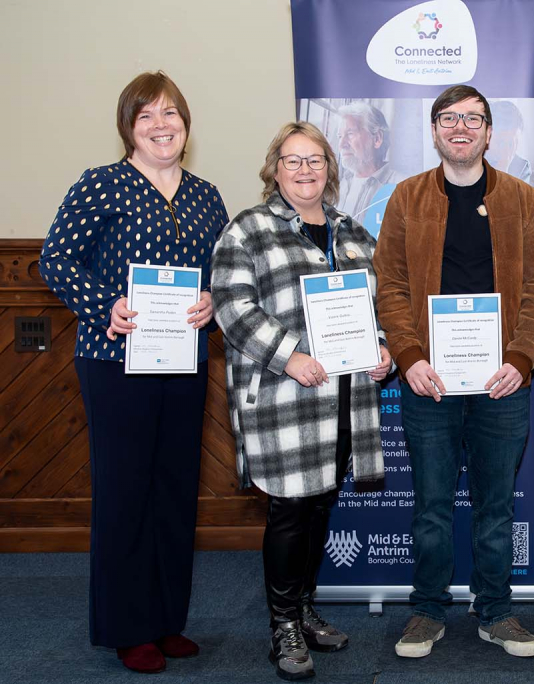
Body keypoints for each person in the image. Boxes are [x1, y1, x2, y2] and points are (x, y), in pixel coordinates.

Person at [38, 71, 229, 674]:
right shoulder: (101, 186)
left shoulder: (207, 195)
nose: (160, 125)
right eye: (146, 116)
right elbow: (55, 258)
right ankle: (128, 627)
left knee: (174, 490)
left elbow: (224, 272)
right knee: (125, 493)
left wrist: (214, 304)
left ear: (186, 124)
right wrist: (106, 306)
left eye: (170, 114)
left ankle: (168, 619)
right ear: (128, 127)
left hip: (185, 358)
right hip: (113, 359)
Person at [373, 85, 534, 659]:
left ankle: (495, 611)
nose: (460, 128)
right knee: (429, 504)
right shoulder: (406, 198)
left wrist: (522, 358)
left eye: (472, 119)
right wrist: (409, 356)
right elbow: (392, 285)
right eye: (449, 119)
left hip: (503, 380)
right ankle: (427, 611)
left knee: (495, 505)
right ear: (433, 131)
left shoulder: (523, 199)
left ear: (489, 131)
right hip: (430, 380)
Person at [211, 121, 391, 681]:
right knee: (289, 510)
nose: (306, 169)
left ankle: (305, 609)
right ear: (275, 169)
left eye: (315, 160)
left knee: (319, 505)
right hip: (286, 397)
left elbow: (377, 307)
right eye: (293, 160)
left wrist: (381, 348)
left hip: (344, 399)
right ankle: (282, 626)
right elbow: (232, 307)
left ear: (330, 170)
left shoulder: (354, 233)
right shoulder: (249, 230)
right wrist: (290, 355)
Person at [336, 101, 404, 234]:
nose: (342, 144)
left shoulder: (404, 187)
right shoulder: (337, 187)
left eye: (350, 134)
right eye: (339, 136)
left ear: (377, 138)